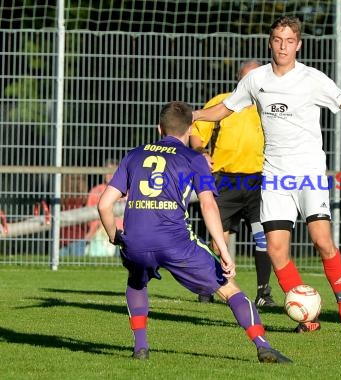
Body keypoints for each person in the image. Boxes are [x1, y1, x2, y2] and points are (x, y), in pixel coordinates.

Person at [192, 15, 341, 333]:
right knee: (277, 250)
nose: (283, 46)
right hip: (275, 176)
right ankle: (308, 319)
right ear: (270, 42)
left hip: (308, 173)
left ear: (299, 45)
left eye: (289, 40)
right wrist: (192, 114)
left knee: (323, 242)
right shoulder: (255, 80)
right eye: (278, 39)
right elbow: (226, 108)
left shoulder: (311, 79)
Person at [97, 101, 291, 363]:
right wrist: (224, 251)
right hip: (175, 241)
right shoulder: (193, 158)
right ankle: (263, 345)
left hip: (137, 240)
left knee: (136, 278)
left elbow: (104, 204)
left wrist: (115, 237)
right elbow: (209, 205)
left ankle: (140, 346)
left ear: (159, 128)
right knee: (229, 289)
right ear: (190, 129)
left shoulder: (134, 154)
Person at [191, 60, 275, 307]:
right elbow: (198, 131)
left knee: (263, 238)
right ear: (240, 80)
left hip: (257, 180)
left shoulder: (268, 105)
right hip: (224, 179)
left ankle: (263, 293)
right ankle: (210, 285)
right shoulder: (223, 102)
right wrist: (201, 151)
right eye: (247, 79)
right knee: (219, 240)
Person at [84, 159, 122, 257]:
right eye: (107, 171)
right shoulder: (96, 191)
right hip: (100, 233)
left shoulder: (127, 191)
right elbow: (89, 218)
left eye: (113, 172)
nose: (110, 175)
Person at [60, 173, 88, 257]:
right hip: (78, 237)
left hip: (62, 237)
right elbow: (86, 222)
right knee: (77, 264)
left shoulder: (62, 199)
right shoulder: (83, 200)